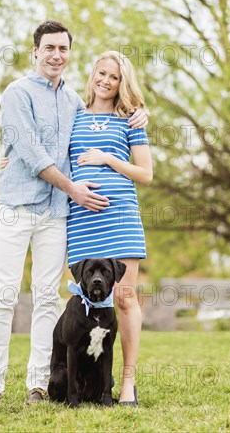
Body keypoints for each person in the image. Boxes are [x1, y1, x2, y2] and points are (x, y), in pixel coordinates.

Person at [0, 20, 147, 408]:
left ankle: (39, 384)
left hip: (57, 214)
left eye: (62, 49)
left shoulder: (74, 102)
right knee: (3, 294)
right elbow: (33, 152)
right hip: (19, 206)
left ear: (69, 55)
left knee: (48, 301)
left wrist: (141, 113)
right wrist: (13, 159)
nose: (56, 55)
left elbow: (112, 115)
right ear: (35, 51)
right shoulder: (16, 93)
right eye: (48, 48)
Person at [67, 51, 152, 404]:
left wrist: (108, 158)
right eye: (101, 73)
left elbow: (146, 174)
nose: (105, 80)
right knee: (83, 299)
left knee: (124, 298)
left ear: (122, 83)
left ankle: (127, 384)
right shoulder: (72, 115)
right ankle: (81, 383)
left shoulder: (131, 120)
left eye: (114, 77)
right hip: (82, 220)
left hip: (120, 219)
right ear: (92, 75)